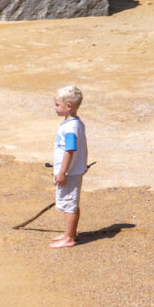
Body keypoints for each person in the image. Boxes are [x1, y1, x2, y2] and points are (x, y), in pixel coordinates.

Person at [48, 85, 88, 249]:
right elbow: (84, 147)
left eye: (58, 105)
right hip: (73, 170)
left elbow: (69, 151)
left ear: (68, 106)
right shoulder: (75, 124)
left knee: (70, 204)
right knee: (69, 203)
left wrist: (62, 172)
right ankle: (69, 233)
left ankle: (70, 238)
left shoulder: (70, 128)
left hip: (70, 172)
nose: (55, 108)